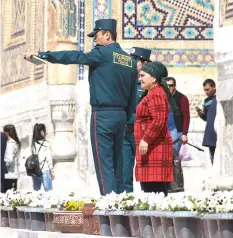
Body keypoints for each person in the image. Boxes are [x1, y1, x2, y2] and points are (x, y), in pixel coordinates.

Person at [24, 19, 137, 195]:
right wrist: (128, 119)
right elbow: (132, 97)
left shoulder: (102, 53)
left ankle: (109, 207)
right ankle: (122, 203)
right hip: (121, 116)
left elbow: (73, 57)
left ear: (107, 35)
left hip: (103, 115)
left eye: (97, 35)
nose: (95, 40)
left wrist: (44, 56)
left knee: (103, 164)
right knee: (117, 163)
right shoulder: (129, 61)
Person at [135, 61, 177, 196]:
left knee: (155, 191)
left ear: (153, 78)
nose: (140, 78)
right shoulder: (152, 93)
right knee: (150, 190)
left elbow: (159, 119)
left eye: (143, 75)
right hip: (151, 148)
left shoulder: (157, 94)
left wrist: (146, 139)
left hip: (155, 147)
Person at [122, 47, 151, 192]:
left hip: (142, 134)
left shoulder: (149, 86)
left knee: (146, 173)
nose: (131, 63)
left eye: (135, 60)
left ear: (144, 63)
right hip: (125, 133)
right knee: (125, 173)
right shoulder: (126, 80)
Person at [166, 77, 190, 153]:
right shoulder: (163, 98)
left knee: (175, 157)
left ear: (175, 86)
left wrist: (184, 133)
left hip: (177, 132)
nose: (169, 87)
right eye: (166, 86)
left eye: (171, 85)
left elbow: (186, 116)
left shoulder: (182, 98)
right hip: (165, 132)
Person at [196, 79, 217, 164]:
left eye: (208, 89)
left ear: (214, 87)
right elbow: (206, 118)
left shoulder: (219, 98)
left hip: (219, 130)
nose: (206, 92)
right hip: (210, 131)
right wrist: (201, 114)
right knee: (213, 156)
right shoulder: (206, 101)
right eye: (205, 90)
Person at [31, 123, 54, 191]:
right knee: (49, 193)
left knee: (36, 193)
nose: (44, 133)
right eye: (43, 131)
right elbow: (49, 158)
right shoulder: (46, 143)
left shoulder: (33, 144)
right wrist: (52, 171)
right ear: (40, 132)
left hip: (35, 171)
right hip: (45, 170)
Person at [3, 125, 21, 192]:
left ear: (7, 133)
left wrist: (3, 164)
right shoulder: (15, 143)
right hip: (14, 173)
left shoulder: (10, 144)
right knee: (12, 195)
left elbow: (9, 159)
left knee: (7, 195)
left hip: (8, 174)